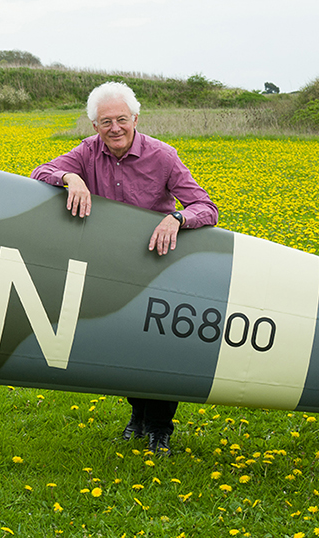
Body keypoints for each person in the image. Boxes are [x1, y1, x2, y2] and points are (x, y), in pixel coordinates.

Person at [31, 81, 218, 451]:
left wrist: (177, 219)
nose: (114, 128)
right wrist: (71, 178)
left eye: (121, 119)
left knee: (160, 346)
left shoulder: (163, 155)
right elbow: (41, 172)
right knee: (122, 343)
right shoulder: (87, 152)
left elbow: (205, 207)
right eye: (105, 122)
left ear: (135, 117)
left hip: (158, 264)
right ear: (94, 126)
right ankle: (138, 413)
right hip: (111, 266)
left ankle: (160, 425)